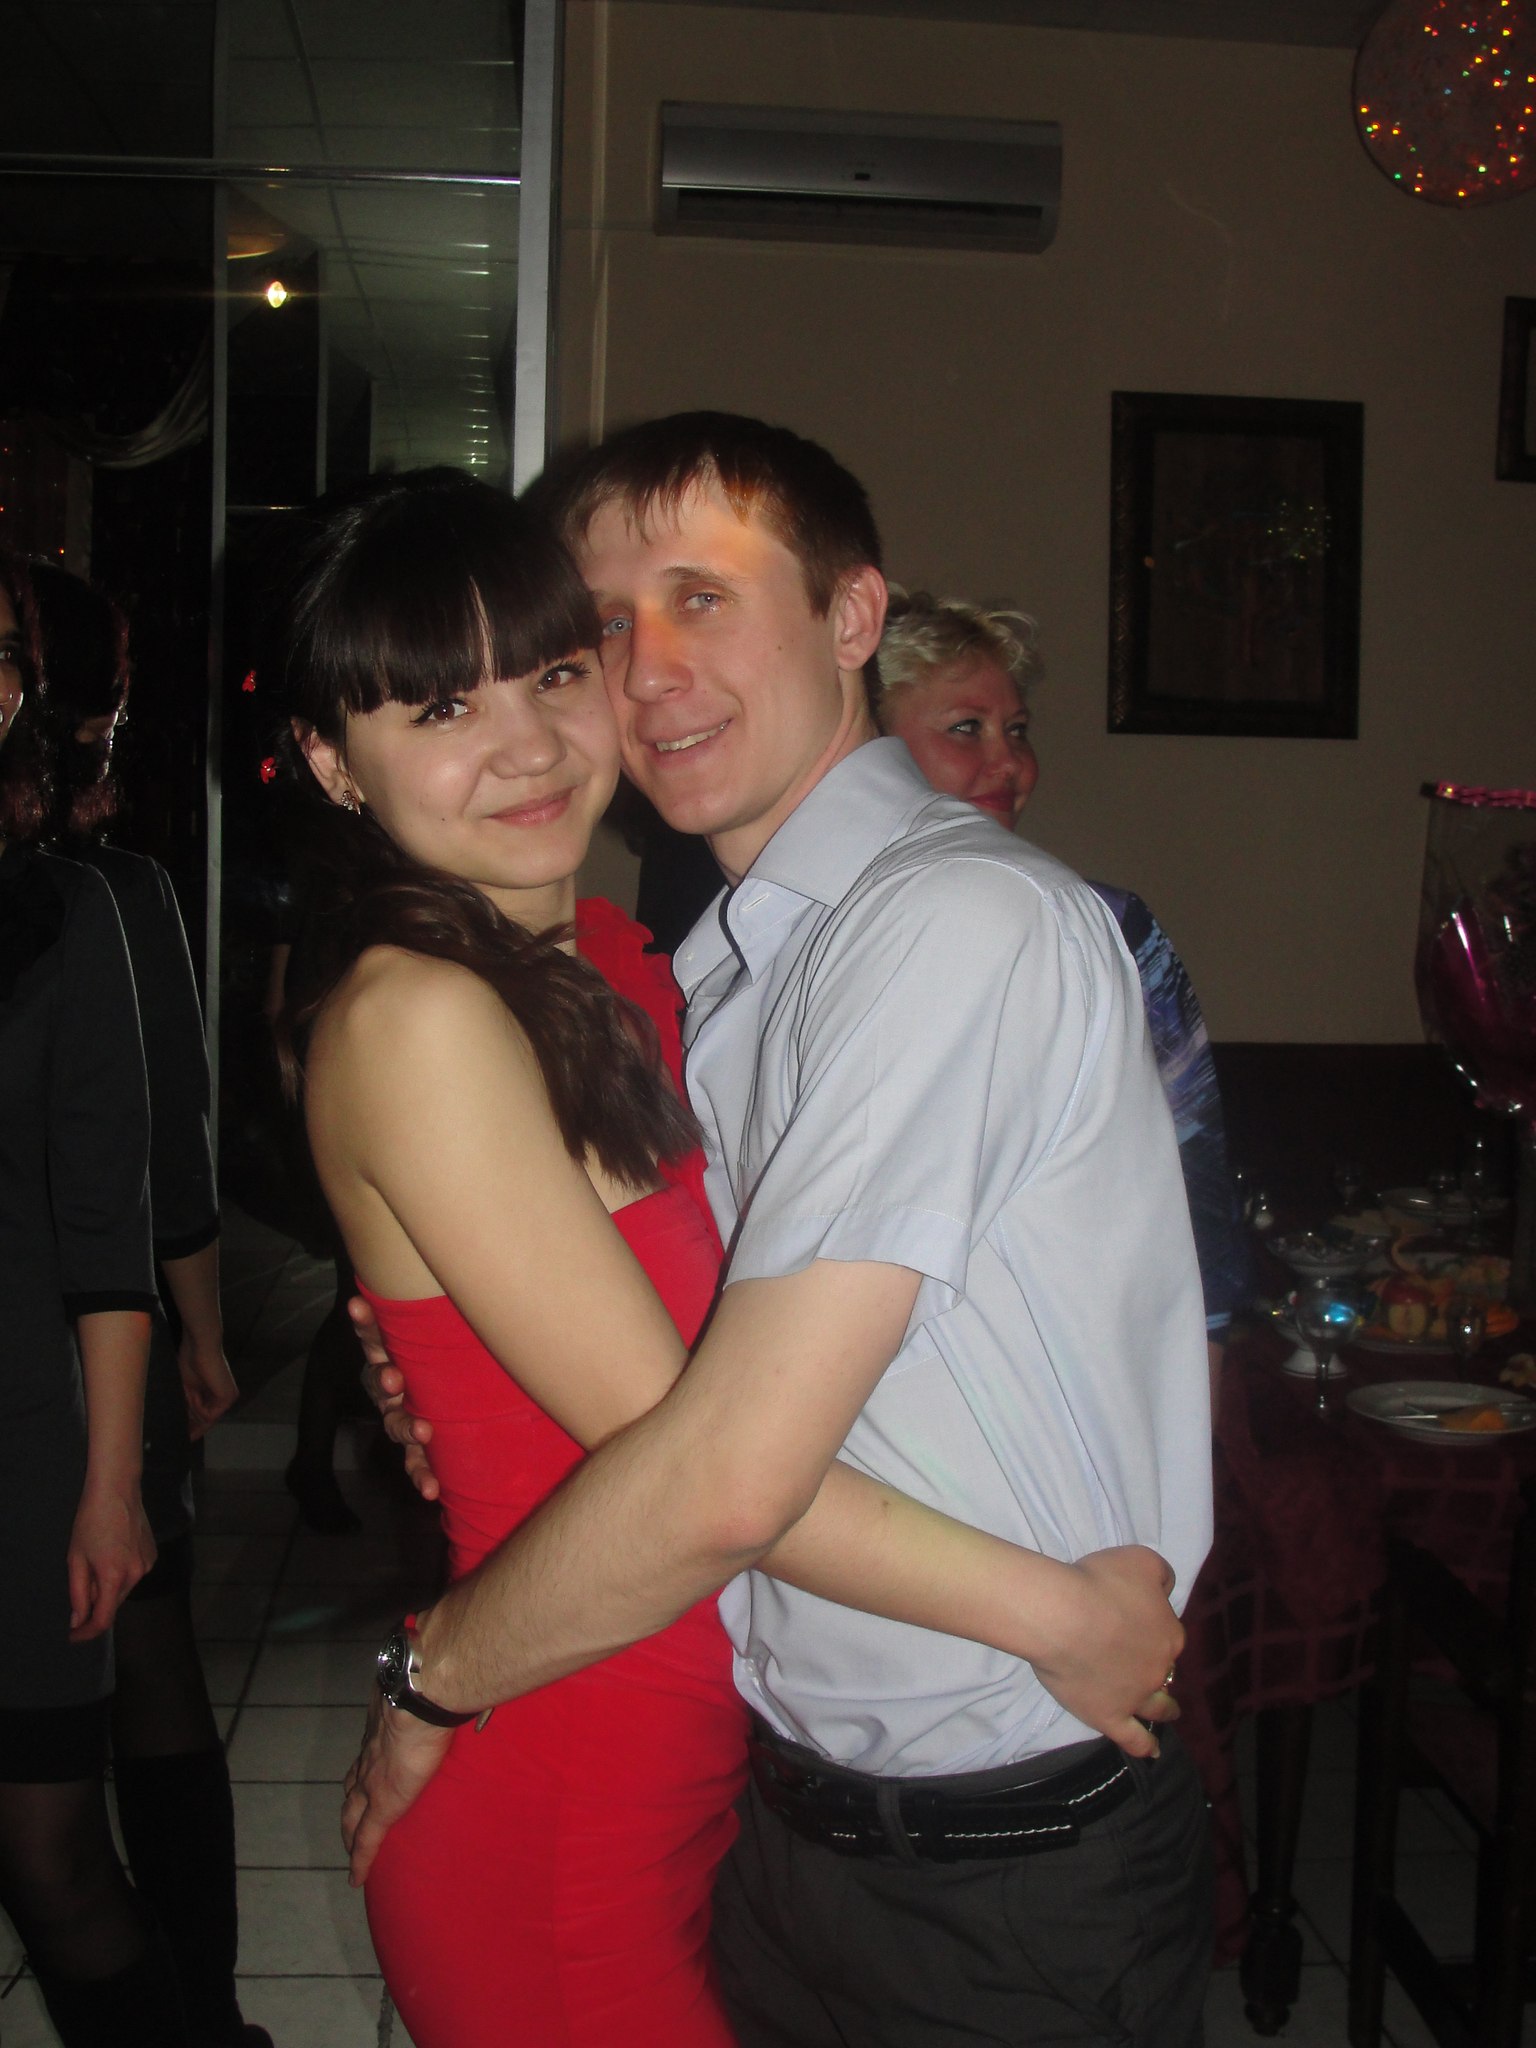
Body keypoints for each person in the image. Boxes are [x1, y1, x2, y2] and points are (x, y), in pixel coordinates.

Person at [280, 468, 1185, 2048]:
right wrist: (1056, 1614)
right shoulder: (416, 1020)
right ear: (330, 763)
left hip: (732, 1788)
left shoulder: (637, 970)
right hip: (566, 1789)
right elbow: (696, 1463)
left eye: (552, 674)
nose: (528, 745)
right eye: (439, 709)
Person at [29, 562, 271, 2048]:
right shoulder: (116, 893)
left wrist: (199, 1330)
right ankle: (215, 2012)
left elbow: (148, 1163)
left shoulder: (100, 898)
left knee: (131, 1685)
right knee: (151, 1671)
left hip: (73, 1367)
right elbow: (164, 1154)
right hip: (98, 1342)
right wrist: (204, 1329)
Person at [872, 586, 1248, 1399]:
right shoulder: (805, 935)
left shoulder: (1106, 929)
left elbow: (1195, 1178)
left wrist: (1202, 1379)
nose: (1009, 763)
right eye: (966, 729)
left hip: (1074, 1377)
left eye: (1016, 730)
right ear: (871, 749)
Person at [0, 551, 190, 2044]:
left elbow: (108, 1234)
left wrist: (114, 1487)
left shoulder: (67, 915)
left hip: (18, 1450)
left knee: (54, 1855)